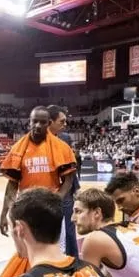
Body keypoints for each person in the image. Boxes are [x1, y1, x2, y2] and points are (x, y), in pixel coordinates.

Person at [0, 107, 77, 251]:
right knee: (28, 252)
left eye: (42, 122)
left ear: (48, 124)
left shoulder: (62, 147)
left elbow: (68, 180)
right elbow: (12, 184)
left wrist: (55, 200)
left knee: (58, 250)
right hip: (26, 210)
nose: (38, 126)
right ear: (29, 122)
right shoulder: (18, 148)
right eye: (34, 121)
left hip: (52, 210)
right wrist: (5, 213)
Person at [47, 104, 80, 257]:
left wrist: (76, 188)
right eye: (62, 121)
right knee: (49, 234)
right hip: (46, 193)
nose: (65, 125)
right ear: (49, 121)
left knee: (69, 230)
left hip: (65, 193)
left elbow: (71, 167)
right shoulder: (36, 140)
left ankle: (73, 263)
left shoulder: (65, 138)